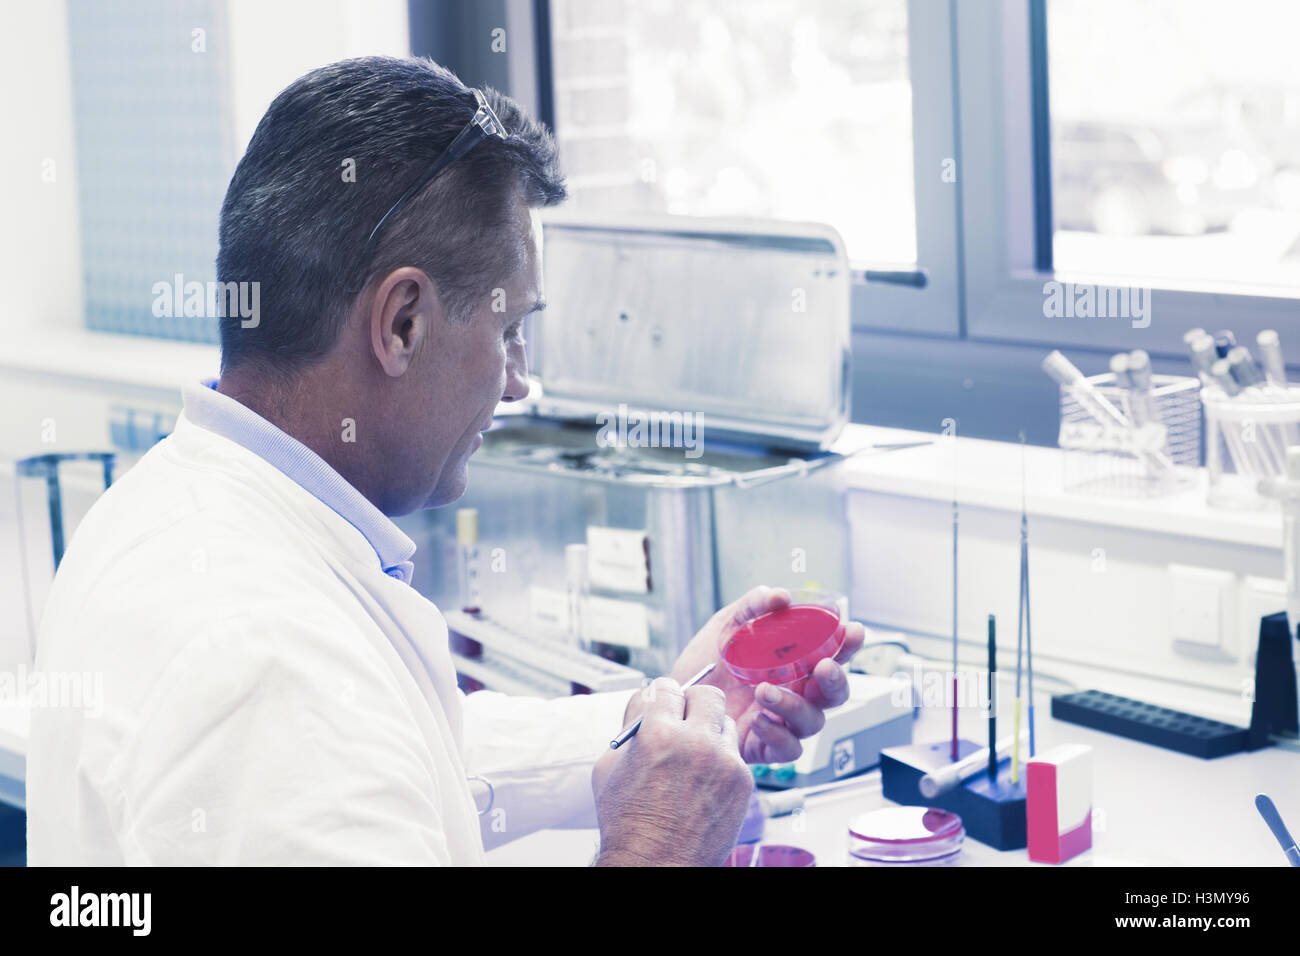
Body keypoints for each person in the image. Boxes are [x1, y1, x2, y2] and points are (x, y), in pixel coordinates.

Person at [26, 56, 863, 866]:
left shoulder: (169, 505)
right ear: (402, 324)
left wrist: (661, 719)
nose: (520, 382)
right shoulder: (267, 662)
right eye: (507, 332)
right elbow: (319, 732)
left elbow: (393, 754)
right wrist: (661, 841)